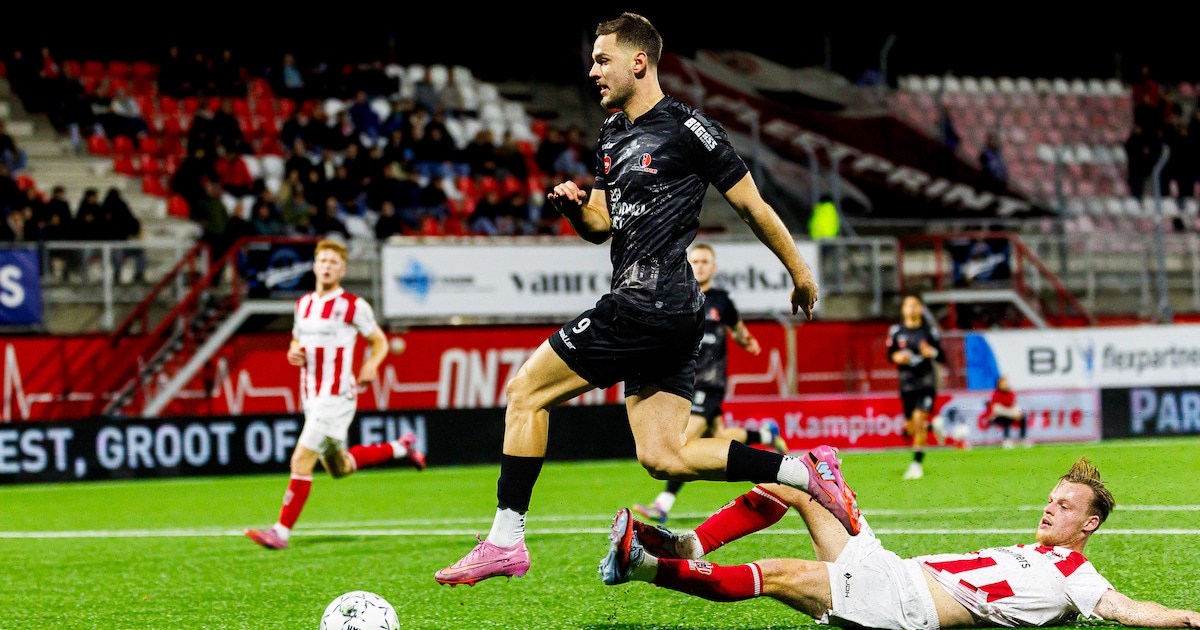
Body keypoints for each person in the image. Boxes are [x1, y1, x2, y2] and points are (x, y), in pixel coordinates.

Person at [434, 13, 827, 587]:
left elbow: (752, 206)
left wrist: (800, 272)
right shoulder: (612, 134)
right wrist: (575, 207)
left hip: (651, 299)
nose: (592, 71)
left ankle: (505, 542)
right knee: (665, 455)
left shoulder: (688, 127)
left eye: (602, 59)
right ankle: (803, 471)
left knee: (525, 394)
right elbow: (603, 225)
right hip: (664, 308)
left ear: (638, 62)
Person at [600, 453, 1200, 629]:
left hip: (902, 604)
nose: (1050, 507)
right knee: (805, 477)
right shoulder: (1039, 555)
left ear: (1089, 524)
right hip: (891, 569)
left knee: (778, 573)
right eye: (1051, 498)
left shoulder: (1077, 575)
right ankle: (691, 546)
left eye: (1065, 505)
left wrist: (1188, 617)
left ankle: (643, 566)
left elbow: (1127, 610)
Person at [245, 240, 426, 550]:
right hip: (311, 396)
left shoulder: (353, 305)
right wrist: (293, 354)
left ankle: (281, 531)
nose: (327, 266)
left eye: (333, 262)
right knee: (338, 467)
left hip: (337, 395)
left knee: (301, 459)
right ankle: (401, 447)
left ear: (342, 269)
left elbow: (379, 341)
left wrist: (370, 364)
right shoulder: (303, 305)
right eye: (322, 261)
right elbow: (295, 341)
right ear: (315, 266)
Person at [633, 243, 787, 525]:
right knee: (722, 435)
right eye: (696, 261)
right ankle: (766, 435)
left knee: (683, 442)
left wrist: (747, 340)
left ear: (713, 267)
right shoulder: (677, 297)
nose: (701, 265)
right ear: (687, 265)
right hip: (684, 382)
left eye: (706, 261)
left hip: (709, 383)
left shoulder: (721, 301)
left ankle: (663, 503)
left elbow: (738, 328)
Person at [887, 294, 946, 480]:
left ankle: (916, 465)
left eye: (915, 305)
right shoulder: (896, 332)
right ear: (903, 309)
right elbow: (889, 355)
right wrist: (896, 357)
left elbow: (942, 356)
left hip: (926, 382)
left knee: (919, 420)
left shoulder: (929, 331)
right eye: (908, 305)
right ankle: (932, 425)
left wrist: (932, 352)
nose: (911, 308)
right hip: (906, 384)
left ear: (921, 309)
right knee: (911, 428)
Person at [979, 375, 1030, 449]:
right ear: (999, 385)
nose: (1005, 385)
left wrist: (1018, 414)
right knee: (1007, 419)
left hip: (1009, 414)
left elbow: (1014, 406)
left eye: (1006, 383)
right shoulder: (995, 394)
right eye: (1003, 383)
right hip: (997, 416)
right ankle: (1007, 440)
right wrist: (1012, 414)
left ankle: (1022, 438)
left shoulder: (1011, 393)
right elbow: (997, 409)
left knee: (1023, 417)